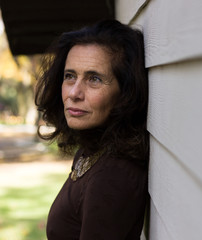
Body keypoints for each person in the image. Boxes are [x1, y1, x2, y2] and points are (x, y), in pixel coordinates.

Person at [35, 19, 149, 240]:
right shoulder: (93, 152)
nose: (74, 93)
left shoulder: (112, 176)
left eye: (94, 79)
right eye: (70, 76)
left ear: (125, 93)